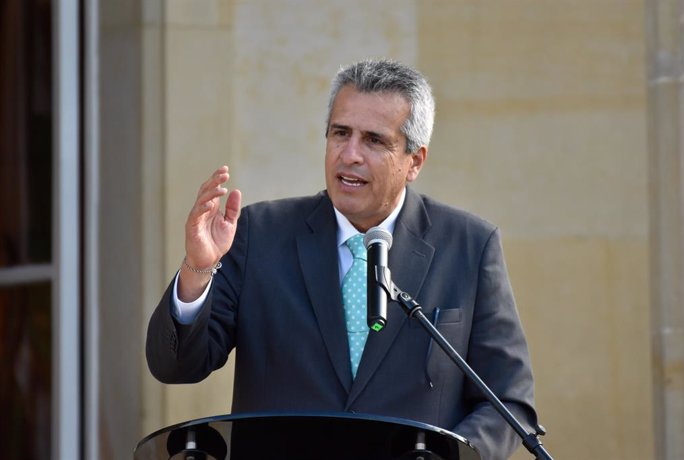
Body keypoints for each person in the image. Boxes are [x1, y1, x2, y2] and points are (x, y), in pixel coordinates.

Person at [146, 59, 538, 460]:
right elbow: (176, 367)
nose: (349, 155)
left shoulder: (470, 245)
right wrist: (196, 269)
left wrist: (445, 456)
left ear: (414, 161)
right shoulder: (258, 233)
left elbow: (509, 403)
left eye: (373, 140)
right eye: (340, 134)